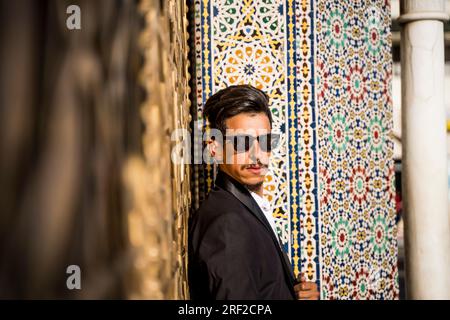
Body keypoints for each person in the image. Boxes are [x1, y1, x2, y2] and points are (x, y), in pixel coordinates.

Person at [188, 84, 320, 300]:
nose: (257, 155)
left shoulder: (245, 208)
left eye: (265, 141)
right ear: (214, 149)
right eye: (242, 142)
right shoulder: (227, 224)